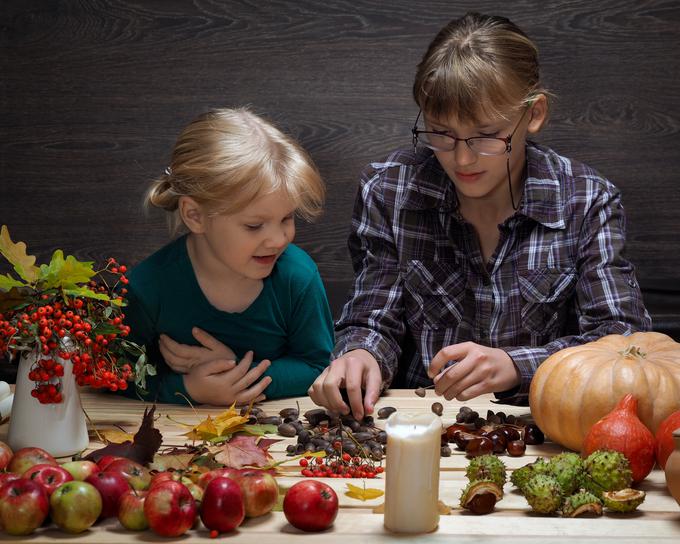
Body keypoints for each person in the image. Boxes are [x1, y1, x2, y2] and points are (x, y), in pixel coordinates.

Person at [308, 12, 651, 420]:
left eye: (487, 135)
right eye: (441, 133)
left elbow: (624, 343)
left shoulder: (587, 200)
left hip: (544, 427)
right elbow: (374, 318)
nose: (462, 158)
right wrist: (361, 353)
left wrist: (516, 365)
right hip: (418, 423)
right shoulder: (388, 191)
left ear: (534, 114)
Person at [123, 107, 334, 405]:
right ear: (195, 215)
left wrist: (236, 374)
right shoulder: (147, 288)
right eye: (254, 225)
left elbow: (318, 367)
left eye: (287, 218)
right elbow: (114, 374)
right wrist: (188, 388)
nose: (278, 239)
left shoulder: (297, 276)